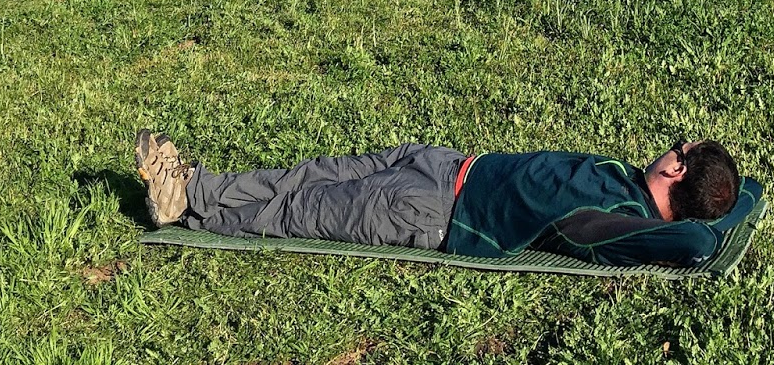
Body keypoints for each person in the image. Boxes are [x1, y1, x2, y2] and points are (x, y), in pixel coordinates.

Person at [135, 131, 741, 267]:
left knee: (304, 210)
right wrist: (723, 197)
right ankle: (195, 188)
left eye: (675, 150)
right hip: (445, 163)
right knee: (309, 173)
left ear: (678, 170)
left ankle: (183, 207)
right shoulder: (629, 180)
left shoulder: (620, 222)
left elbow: (690, 242)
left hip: (433, 211)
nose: (664, 148)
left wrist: (706, 223)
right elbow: (732, 202)